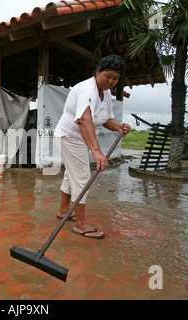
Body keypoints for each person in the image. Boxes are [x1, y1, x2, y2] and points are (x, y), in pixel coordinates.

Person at [54, 55, 131, 240]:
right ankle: (80, 224)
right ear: (98, 72)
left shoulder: (106, 94)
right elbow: (84, 119)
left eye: (115, 78)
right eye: (107, 75)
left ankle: (65, 210)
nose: (110, 81)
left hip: (79, 139)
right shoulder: (88, 89)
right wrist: (97, 152)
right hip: (69, 136)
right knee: (82, 178)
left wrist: (118, 126)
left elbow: (106, 120)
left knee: (71, 174)